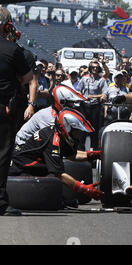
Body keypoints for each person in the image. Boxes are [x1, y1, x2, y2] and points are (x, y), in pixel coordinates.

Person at [9, 108, 104, 201]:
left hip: (35, 170)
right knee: (55, 195)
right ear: (67, 128)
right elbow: (58, 174)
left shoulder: (58, 134)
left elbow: (72, 155)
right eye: (77, 131)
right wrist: (84, 189)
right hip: (20, 172)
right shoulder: (53, 140)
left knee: (63, 199)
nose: (78, 135)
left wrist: (94, 155)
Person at [0, 7, 33, 216]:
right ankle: (0, 202)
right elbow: (28, 78)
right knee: (2, 155)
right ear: (6, 25)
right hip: (3, 108)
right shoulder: (12, 49)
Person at [15, 81, 86, 147]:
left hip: (34, 144)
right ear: (62, 101)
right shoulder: (48, 116)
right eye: (71, 102)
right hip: (22, 145)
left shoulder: (58, 114)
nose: (73, 105)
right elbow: (50, 140)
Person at [77, 60, 108, 150]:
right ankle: (81, 148)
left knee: (94, 128)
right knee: (83, 127)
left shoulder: (101, 80)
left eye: (96, 68)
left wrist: (93, 96)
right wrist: (81, 96)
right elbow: (79, 89)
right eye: (93, 67)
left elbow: (104, 93)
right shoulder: (84, 78)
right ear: (90, 68)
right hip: (84, 105)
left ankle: (94, 148)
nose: (95, 69)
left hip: (95, 106)